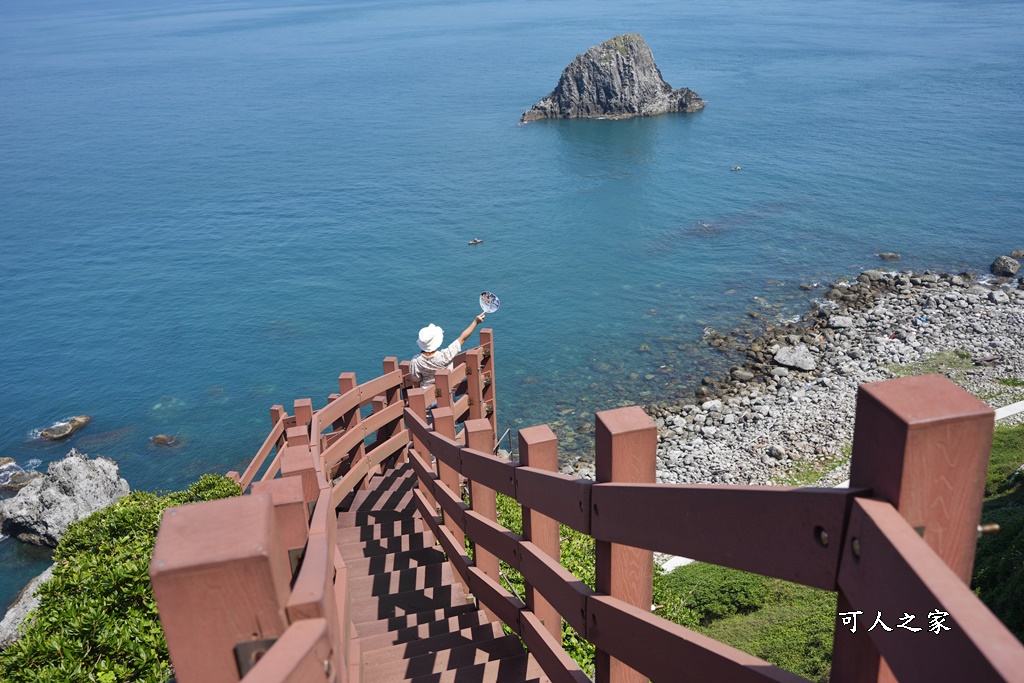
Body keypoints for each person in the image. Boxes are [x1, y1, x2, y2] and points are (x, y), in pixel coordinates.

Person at [409, 312, 486, 388]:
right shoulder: (445, 356)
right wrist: (476, 322)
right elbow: (462, 338)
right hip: (446, 393)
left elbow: (416, 380)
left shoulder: (416, 361)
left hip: (426, 396)